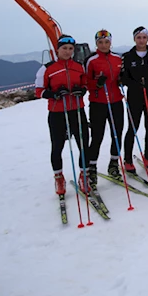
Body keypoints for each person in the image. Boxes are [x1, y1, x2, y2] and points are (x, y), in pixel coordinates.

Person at [35, 34, 90, 195]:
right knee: (57, 146)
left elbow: (85, 83)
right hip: (57, 112)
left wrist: (82, 90)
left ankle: (84, 175)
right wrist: (54, 94)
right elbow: (39, 91)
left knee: (83, 144)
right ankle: (59, 178)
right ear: (57, 49)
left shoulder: (79, 66)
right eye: (64, 48)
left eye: (70, 49)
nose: (67, 51)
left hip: (77, 110)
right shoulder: (47, 68)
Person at [84, 29, 125, 185]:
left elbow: (121, 75)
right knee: (97, 136)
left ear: (110, 42)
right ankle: (92, 167)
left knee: (117, 133)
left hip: (116, 101)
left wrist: (121, 80)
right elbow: (86, 82)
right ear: (96, 43)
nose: (103, 45)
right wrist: (97, 84)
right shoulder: (91, 60)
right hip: (98, 103)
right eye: (100, 42)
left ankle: (113, 164)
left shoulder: (117, 58)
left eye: (106, 42)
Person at [120, 26, 148, 173]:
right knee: (133, 128)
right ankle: (127, 159)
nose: (142, 40)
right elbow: (124, 77)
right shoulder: (128, 56)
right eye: (139, 37)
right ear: (134, 39)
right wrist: (135, 83)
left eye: (144, 37)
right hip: (135, 97)